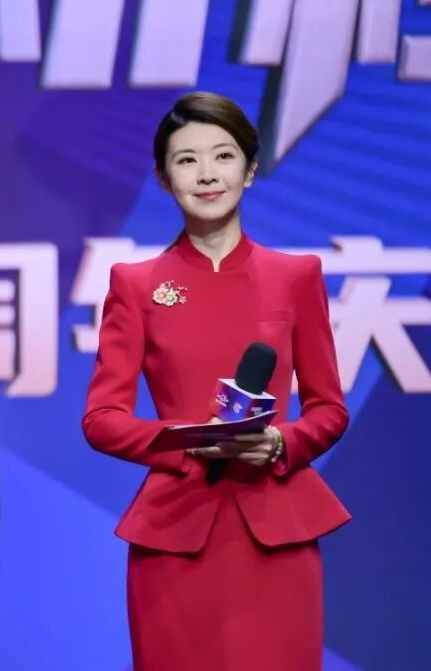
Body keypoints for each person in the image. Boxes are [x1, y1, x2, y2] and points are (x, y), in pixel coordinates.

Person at [81, 92, 350, 671]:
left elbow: (329, 409)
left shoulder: (296, 276)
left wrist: (278, 442)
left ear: (249, 170)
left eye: (223, 156)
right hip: (176, 528)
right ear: (163, 178)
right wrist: (187, 443)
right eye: (187, 160)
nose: (207, 174)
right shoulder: (136, 284)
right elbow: (101, 420)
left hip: (277, 527)